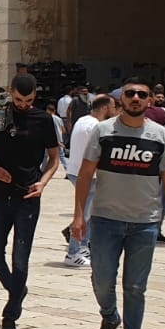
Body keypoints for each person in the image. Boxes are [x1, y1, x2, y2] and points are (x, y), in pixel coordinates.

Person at [71, 77, 165, 329]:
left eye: (141, 95)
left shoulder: (160, 136)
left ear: (150, 101)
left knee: (135, 287)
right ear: (121, 100)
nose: (135, 98)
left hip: (144, 223)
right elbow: (85, 174)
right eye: (130, 93)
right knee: (102, 280)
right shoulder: (103, 132)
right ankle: (109, 316)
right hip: (107, 219)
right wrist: (80, 215)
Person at [0, 74, 59, 329]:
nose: (24, 104)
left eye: (29, 100)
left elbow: (54, 159)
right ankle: (17, 290)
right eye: (19, 99)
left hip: (28, 198)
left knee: (20, 259)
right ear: (11, 93)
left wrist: (43, 183)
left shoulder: (43, 120)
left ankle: (10, 317)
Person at [64, 95, 115, 266]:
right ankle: (73, 253)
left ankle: (83, 246)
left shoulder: (82, 120)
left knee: (89, 212)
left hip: (74, 170)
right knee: (84, 214)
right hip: (87, 175)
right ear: (106, 108)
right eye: (113, 107)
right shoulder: (97, 126)